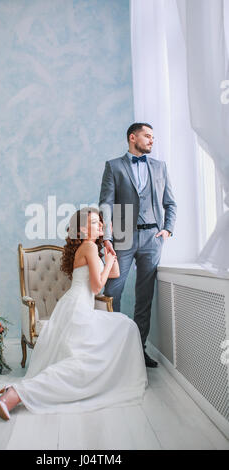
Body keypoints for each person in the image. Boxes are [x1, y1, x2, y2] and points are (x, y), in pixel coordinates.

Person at [0, 207, 148, 420]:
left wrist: (108, 248)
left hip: (76, 306)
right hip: (78, 308)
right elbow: (98, 287)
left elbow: (114, 273)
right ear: (81, 230)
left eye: (101, 222)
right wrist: (107, 263)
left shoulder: (91, 247)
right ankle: (15, 394)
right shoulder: (88, 246)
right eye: (94, 223)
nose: (101, 225)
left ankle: (18, 392)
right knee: (87, 357)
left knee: (123, 328)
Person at [99, 123, 177, 368]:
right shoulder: (114, 166)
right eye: (147, 136)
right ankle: (112, 350)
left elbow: (170, 203)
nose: (152, 140)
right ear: (133, 138)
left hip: (152, 238)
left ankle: (137, 350)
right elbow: (106, 204)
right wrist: (107, 237)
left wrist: (167, 230)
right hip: (122, 235)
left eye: (153, 137)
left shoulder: (160, 167)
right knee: (112, 292)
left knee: (145, 297)